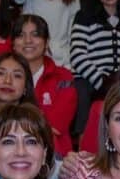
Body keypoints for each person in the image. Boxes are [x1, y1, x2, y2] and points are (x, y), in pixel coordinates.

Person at [11, 14, 78, 153]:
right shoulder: (5, 77)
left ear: (46, 42)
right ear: (13, 44)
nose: (28, 41)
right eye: (21, 35)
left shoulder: (63, 76)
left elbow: (57, 125)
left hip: (54, 154)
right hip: (12, 149)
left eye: (35, 35)